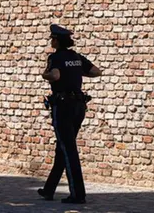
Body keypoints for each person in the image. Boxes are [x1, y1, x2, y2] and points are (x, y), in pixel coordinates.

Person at [37, 24, 102, 204]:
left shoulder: (55, 58)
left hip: (63, 107)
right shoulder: (76, 57)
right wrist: (75, 72)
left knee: (69, 150)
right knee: (63, 148)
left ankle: (77, 194)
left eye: (52, 39)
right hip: (79, 107)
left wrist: (45, 75)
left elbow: (55, 76)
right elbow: (96, 72)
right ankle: (49, 189)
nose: (51, 41)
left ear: (56, 41)